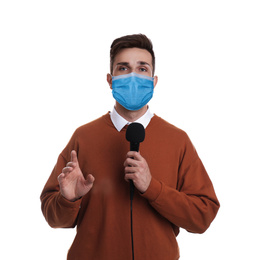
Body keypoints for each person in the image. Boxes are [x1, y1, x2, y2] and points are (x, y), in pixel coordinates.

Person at [40, 34, 220, 260]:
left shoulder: (178, 140)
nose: (133, 76)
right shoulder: (83, 137)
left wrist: (152, 188)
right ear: (110, 79)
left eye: (142, 69)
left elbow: (202, 217)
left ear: (154, 81)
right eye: (123, 68)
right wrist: (69, 200)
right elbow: (53, 218)